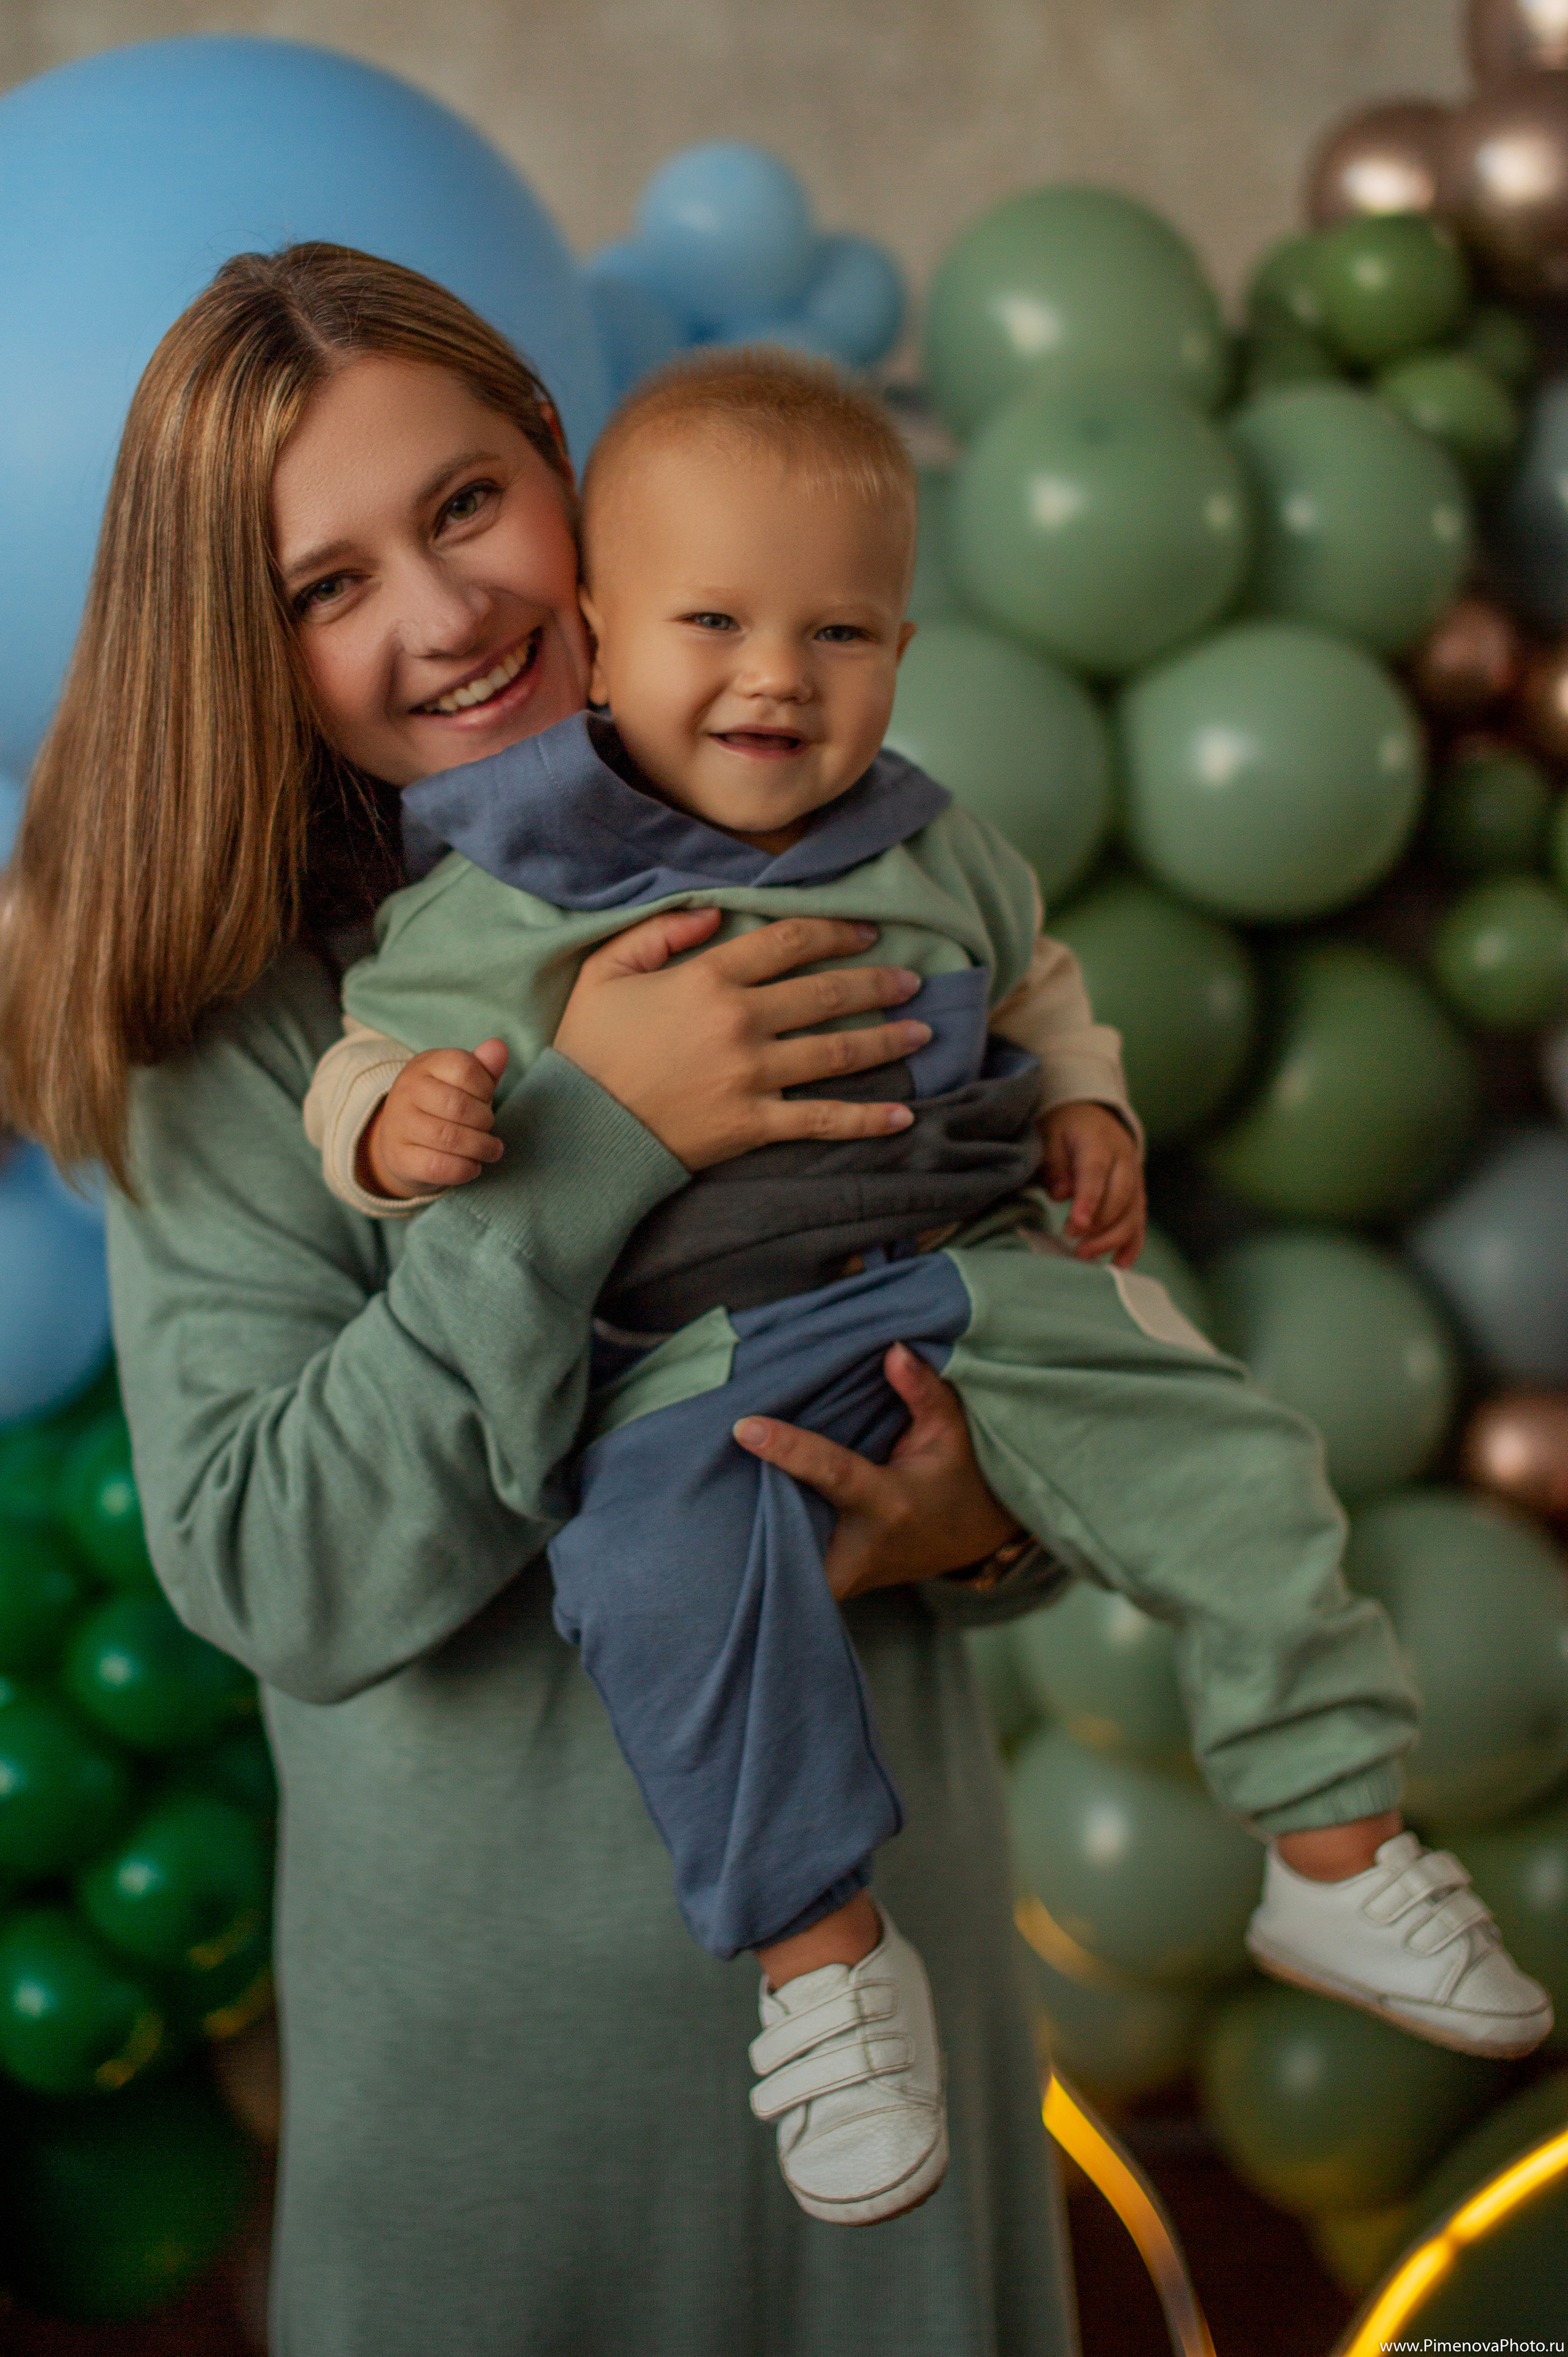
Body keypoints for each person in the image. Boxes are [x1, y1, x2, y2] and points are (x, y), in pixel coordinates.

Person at [302, 349, 1553, 2226]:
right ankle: (818, 1977)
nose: (772, 678)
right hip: (703, 1354)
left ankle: (1331, 1844)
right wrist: (392, 1122)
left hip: (973, 1280)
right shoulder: (518, 875)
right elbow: (367, 1044)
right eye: (709, 622)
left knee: (1232, 1452)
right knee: (654, 1576)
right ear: (597, 627)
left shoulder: (928, 836)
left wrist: (1087, 1104)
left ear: (902, 646)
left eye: (839, 633)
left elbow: (1037, 983)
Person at [0, 243, 1082, 2357]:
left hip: (906, 2012)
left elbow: (1045, 1312)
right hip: (507, 2099)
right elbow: (276, 1569)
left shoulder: (817, 837)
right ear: (247, 641)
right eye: (328, 584)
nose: (441, 610)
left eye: (468, 504)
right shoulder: (228, 1031)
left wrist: (992, 1515)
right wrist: (602, 1136)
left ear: (566, 480)